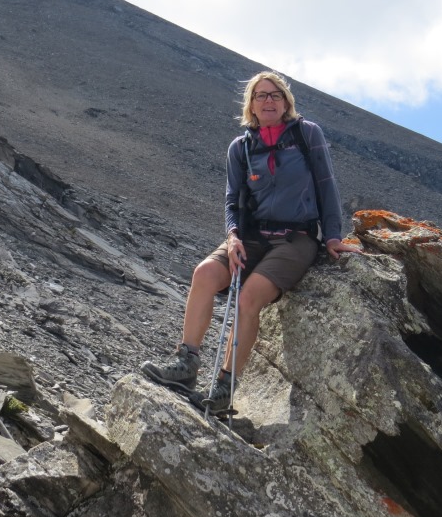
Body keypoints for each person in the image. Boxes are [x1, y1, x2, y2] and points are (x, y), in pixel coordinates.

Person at [141, 71, 360, 412]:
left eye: (275, 95)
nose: (268, 100)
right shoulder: (240, 147)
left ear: (286, 102)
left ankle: (224, 387)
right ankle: (186, 365)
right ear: (252, 105)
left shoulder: (307, 134)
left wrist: (332, 236)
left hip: (295, 239)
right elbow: (232, 200)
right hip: (251, 236)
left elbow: (326, 185)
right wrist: (232, 237)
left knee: (248, 298)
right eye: (261, 95)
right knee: (204, 274)